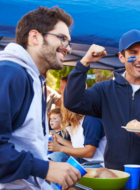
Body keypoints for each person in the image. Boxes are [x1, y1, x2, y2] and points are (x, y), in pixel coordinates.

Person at [64, 29, 140, 189]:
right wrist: (84, 63)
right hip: (114, 179)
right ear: (121, 57)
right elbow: (72, 102)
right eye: (133, 52)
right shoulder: (104, 90)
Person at [0, 6, 81, 189]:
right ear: (35, 37)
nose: (67, 48)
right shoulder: (10, 73)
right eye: (61, 38)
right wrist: (45, 168)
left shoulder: (35, 78)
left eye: (69, 42)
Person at [48, 102, 106, 190]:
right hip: (83, 161)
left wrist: (60, 148)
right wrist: (61, 140)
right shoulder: (77, 123)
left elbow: (89, 152)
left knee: (61, 174)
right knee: (55, 159)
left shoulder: (91, 120)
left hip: (97, 164)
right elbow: (78, 147)